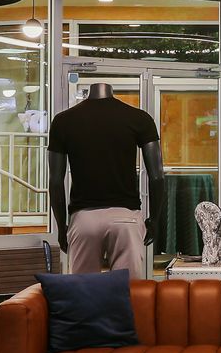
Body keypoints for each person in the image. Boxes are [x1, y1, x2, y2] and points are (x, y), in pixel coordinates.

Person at [48, 84, 164, 276]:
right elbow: (158, 176)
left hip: (84, 218)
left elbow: (55, 181)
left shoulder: (63, 121)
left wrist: (61, 226)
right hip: (125, 217)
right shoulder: (139, 118)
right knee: (128, 291)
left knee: (84, 291)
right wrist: (155, 220)